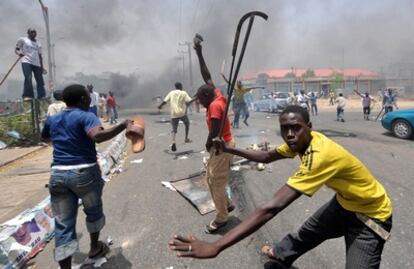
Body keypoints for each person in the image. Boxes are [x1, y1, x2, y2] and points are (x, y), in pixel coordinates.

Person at [169, 105, 392, 269]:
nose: (290, 134)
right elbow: (266, 156)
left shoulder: (320, 155)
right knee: (307, 233)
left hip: (370, 217)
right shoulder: (300, 142)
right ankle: (279, 255)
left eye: (296, 128)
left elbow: (271, 208)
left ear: (309, 127)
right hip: (345, 203)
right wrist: (228, 149)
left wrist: (216, 246)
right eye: (285, 128)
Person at [41, 84, 131, 269]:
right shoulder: (86, 115)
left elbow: (45, 138)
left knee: (63, 224)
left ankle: (65, 267)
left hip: (58, 174)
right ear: (83, 99)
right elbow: (97, 136)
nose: (90, 99)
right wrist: (122, 125)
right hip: (85, 173)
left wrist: (64, 142)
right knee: (93, 211)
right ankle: (95, 248)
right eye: (87, 96)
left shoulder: (53, 118)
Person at [193, 35, 235, 233]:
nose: (199, 103)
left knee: (216, 181)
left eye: (200, 100)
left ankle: (222, 217)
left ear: (207, 97)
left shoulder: (215, 106)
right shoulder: (214, 94)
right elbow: (207, 76)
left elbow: (215, 131)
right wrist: (199, 52)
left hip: (221, 145)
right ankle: (226, 204)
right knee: (212, 178)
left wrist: (208, 145)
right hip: (224, 144)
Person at [158, 82, 195, 152]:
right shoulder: (183, 93)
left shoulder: (171, 93)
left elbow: (165, 101)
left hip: (174, 114)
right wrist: (196, 98)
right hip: (182, 113)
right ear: (181, 86)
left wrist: (160, 106)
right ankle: (186, 138)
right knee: (187, 124)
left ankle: (173, 141)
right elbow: (189, 101)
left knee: (174, 129)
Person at [15, 28, 47, 100]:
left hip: (37, 64)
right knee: (28, 78)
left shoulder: (38, 44)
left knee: (40, 80)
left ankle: (42, 96)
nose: (34, 34)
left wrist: (42, 67)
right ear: (28, 33)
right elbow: (17, 49)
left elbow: (40, 56)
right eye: (32, 32)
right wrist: (19, 53)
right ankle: (28, 95)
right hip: (26, 61)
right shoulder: (23, 40)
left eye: (35, 32)